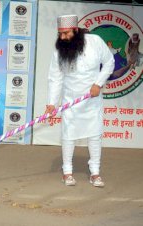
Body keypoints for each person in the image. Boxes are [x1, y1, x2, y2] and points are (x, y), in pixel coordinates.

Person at [45, 15, 115, 188]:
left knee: (95, 135)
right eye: (60, 34)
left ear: (75, 31)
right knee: (68, 136)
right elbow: (55, 77)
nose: (62, 38)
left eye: (66, 33)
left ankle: (95, 173)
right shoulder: (59, 50)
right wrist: (51, 103)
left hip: (92, 99)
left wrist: (98, 84)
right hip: (71, 100)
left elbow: (109, 63)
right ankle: (67, 172)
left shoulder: (95, 42)